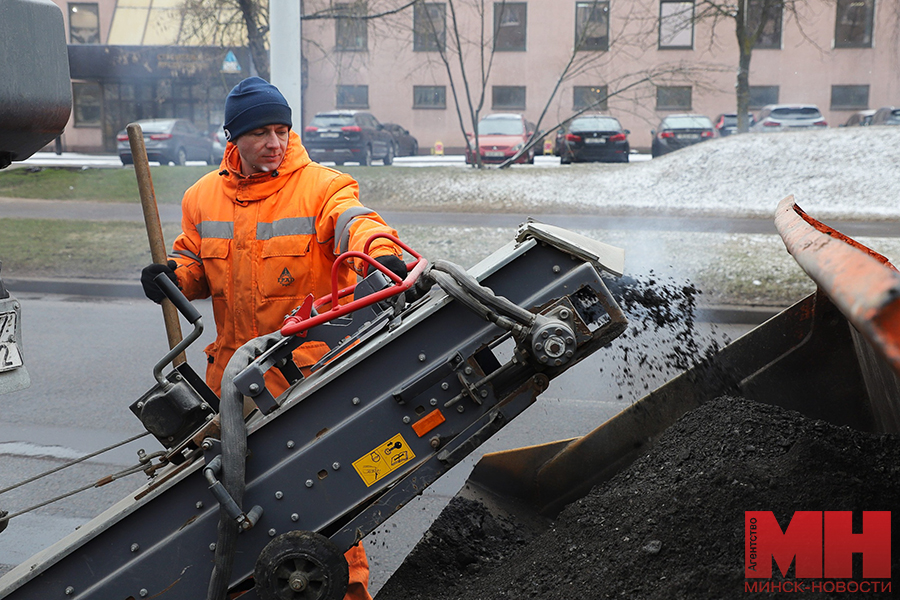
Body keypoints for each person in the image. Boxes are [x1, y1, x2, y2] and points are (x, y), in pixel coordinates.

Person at [140, 76, 405, 600]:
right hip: (232, 387)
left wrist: (382, 251)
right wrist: (169, 275)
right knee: (235, 508)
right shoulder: (202, 197)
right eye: (261, 131)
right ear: (233, 137)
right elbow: (194, 263)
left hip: (305, 379)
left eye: (282, 129)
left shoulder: (323, 187)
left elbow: (357, 222)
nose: (275, 142)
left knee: (325, 506)